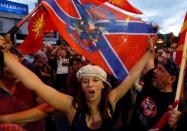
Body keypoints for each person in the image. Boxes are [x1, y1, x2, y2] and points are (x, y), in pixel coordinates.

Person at [0, 34, 151, 130]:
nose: (90, 84)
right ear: (81, 86)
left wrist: (149, 52)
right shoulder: (71, 106)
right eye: (85, 81)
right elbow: (36, 84)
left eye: (95, 80)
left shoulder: (111, 100)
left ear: (103, 85)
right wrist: (5, 55)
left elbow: (131, 76)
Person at [0, 49, 55, 131]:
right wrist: (33, 114)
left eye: (17, 63)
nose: (15, 68)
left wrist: (6, 119)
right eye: (9, 64)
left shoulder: (27, 84)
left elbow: (50, 105)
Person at [128, 53, 181, 131]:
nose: (155, 71)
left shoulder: (175, 104)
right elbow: (149, 54)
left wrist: (177, 122)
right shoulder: (151, 81)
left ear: (171, 79)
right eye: (157, 67)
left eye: (160, 69)